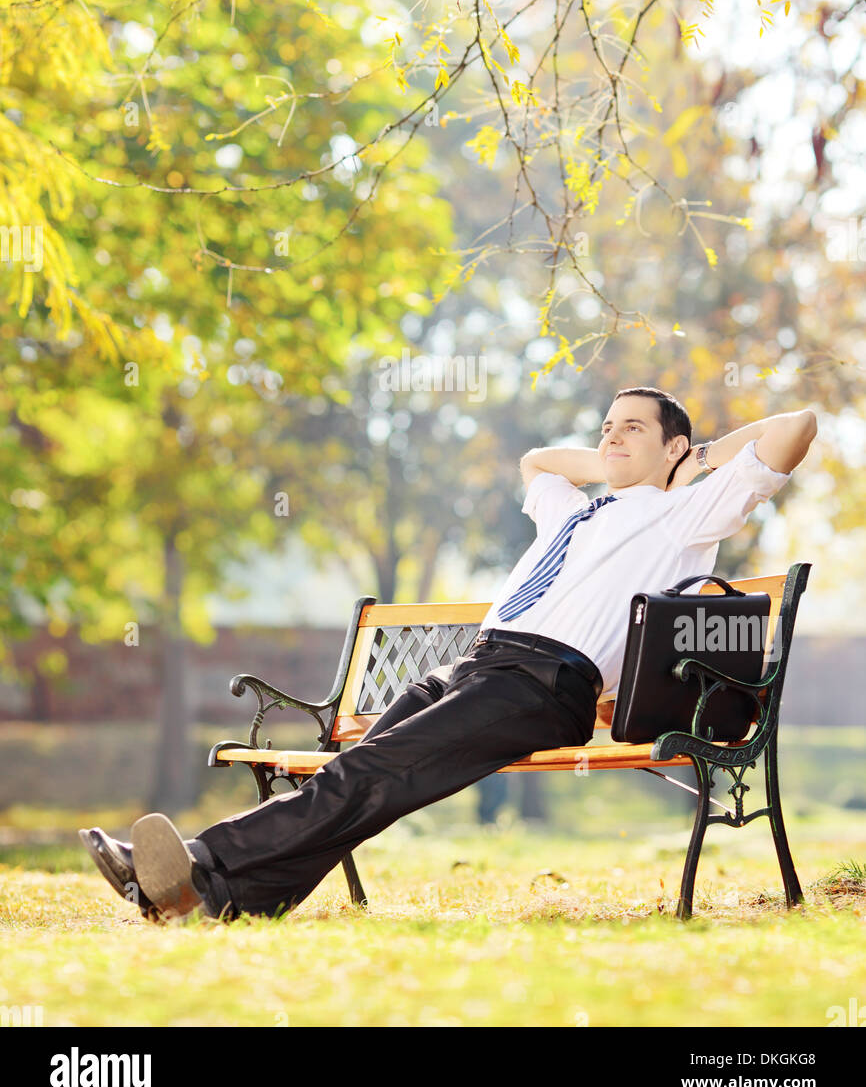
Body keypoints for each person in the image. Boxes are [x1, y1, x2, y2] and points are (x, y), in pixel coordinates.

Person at [80, 387, 817, 923]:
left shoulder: (685, 515)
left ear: (675, 445)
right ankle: (231, 900)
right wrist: (614, 460)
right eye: (606, 427)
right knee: (362, 773)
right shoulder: (579, 508)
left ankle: (196, 867)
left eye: (633, 428)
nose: (612, 438)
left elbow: (796, 428)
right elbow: (535, 463)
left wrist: (696, 461)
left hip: (543, 684)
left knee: (371, 770)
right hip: (472, 667)